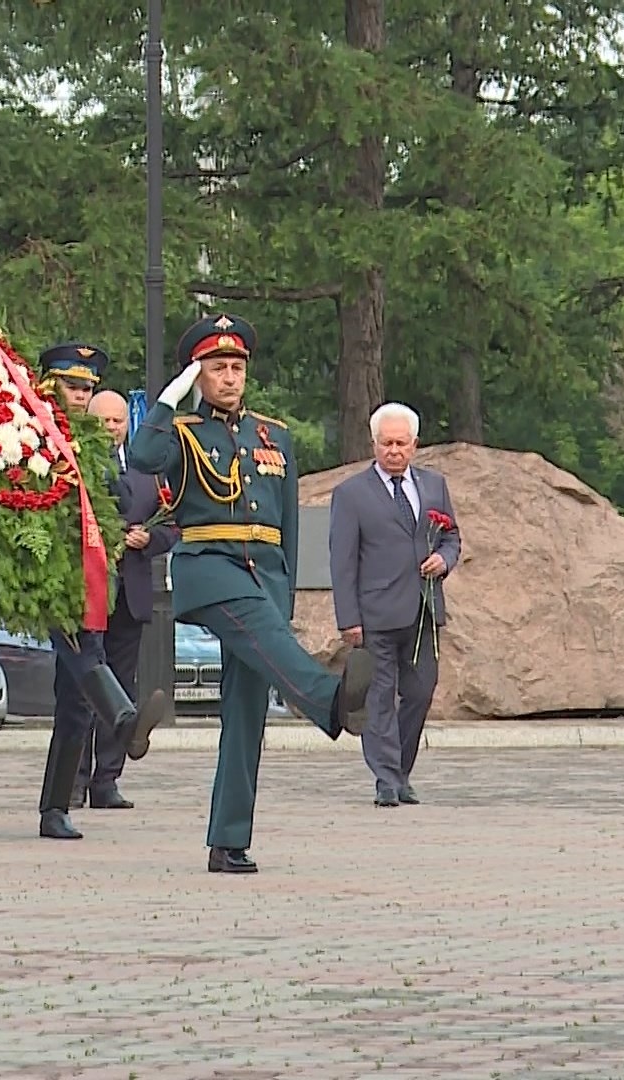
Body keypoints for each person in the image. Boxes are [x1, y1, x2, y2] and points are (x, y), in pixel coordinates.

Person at [128, 314, 371, 874]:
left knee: (244, 711)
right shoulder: (183, 434)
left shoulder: (274, 435)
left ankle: (228, 840)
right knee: (265, 660)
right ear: (199, 375)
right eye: (216, 368)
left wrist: (281, 599)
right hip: (210, 569)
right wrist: (168, 402)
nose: (230, 377)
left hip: (263, 577)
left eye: (236, 367)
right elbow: (142, 460)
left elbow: (284, 522)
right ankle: (331, 702)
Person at [31, 345, 170, 841]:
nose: (81, 395)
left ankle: (56, 806)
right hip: (58, 579)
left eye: (88, 387)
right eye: (75, 387)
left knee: (75, 696)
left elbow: (132, 500)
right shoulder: (35, 440)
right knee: (84, 669)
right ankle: (123, 720)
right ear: (50, 387)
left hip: (101, 581)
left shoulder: (105, 456)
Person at [330, 402, 461, 807]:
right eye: (386, 443)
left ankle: (400, 769)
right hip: (375, 616)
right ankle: (386, 778)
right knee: (379, 697)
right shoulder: (351, 494)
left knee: (420, 692)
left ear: (415, 444)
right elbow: (342, 559)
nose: (394, 451)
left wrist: (445, 559)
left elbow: (452, 536)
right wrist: (348, 619)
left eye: (401, 443)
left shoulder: (434, 485)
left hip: (422, 613)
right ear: (374, 445)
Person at [82, 389, 178, 810]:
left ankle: (107, 781)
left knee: (122, 686)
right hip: (88, 592)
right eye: (102, 421)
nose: (110, 429)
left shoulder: (147, 471)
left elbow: (174, 524)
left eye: (117, 421)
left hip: (132, 593)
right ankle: (72, 780)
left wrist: (149, 538)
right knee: (84, 686)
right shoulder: (76, 466)